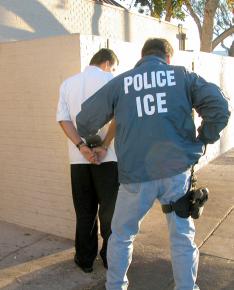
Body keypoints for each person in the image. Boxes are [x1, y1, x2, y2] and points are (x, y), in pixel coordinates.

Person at [76, 38, 230, 290]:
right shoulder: (183, 77)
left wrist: (97, 140)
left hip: (135, 176)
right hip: (176, 174)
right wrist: (203, 139)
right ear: (168, 59)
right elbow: (220, 107)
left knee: (122, 236)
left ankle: (115, 286)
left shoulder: (121, 83)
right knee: (182, 237)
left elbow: (84, 122)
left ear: (142, 56)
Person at [56, 48, 119, 273]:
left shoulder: (68, 84)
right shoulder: (114, 80)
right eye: (112, 67)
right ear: (107, 63)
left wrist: (81, 147)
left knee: (85, 212)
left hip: (78, 160)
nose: (112, 70)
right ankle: (111, 259)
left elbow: (63, 119)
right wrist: (103, 145)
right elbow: (120, 117)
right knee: (110, 212)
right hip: (108, 159)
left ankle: (85, 259)